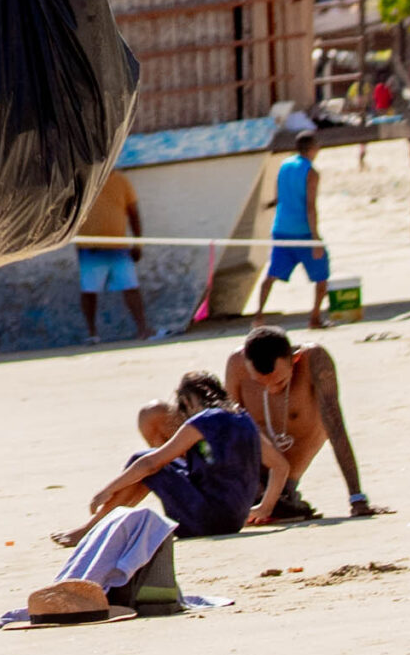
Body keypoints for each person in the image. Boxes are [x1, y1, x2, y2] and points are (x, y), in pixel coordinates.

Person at [49, 371, 287, 547]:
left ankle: (92, 529)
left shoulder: (202, 420)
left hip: (205, 520)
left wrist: (107, 490)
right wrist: (263, 508)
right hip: (233, 521)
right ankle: (97, 527)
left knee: (143, 460)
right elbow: (280, 466)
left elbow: (152, 463)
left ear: (189, 401)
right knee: (155, 468)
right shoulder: (243, 419)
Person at [225, 325, 377, 519]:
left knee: (330, 416)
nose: (271, 390)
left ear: (294, 359)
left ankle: (283, 498)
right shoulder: (236, 363)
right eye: (260, 383)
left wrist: (357, 498)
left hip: (286, 479)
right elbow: (229, 429)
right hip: (250, 477)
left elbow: (336, 428)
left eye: (279, 382)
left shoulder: (314, 360)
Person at [254, 129, 331, 330]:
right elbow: (310, 206)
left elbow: (278, 195)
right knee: (321, 276)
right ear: (313, 148)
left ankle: (258, 316)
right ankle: (314, 318)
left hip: (281, 228)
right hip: (302, 231)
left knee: (271, 275)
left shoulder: (285, 165)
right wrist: (315, 238)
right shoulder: (311, 172)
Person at [73, 166, 154, 343]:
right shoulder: (82, 182)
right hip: (90, 248)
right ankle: (92, 333)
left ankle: (142, 329)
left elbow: (133, 213)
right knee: (89, 290)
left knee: (131, 287)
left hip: (119, 247)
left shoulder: (121, 181)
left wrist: (138, 243)